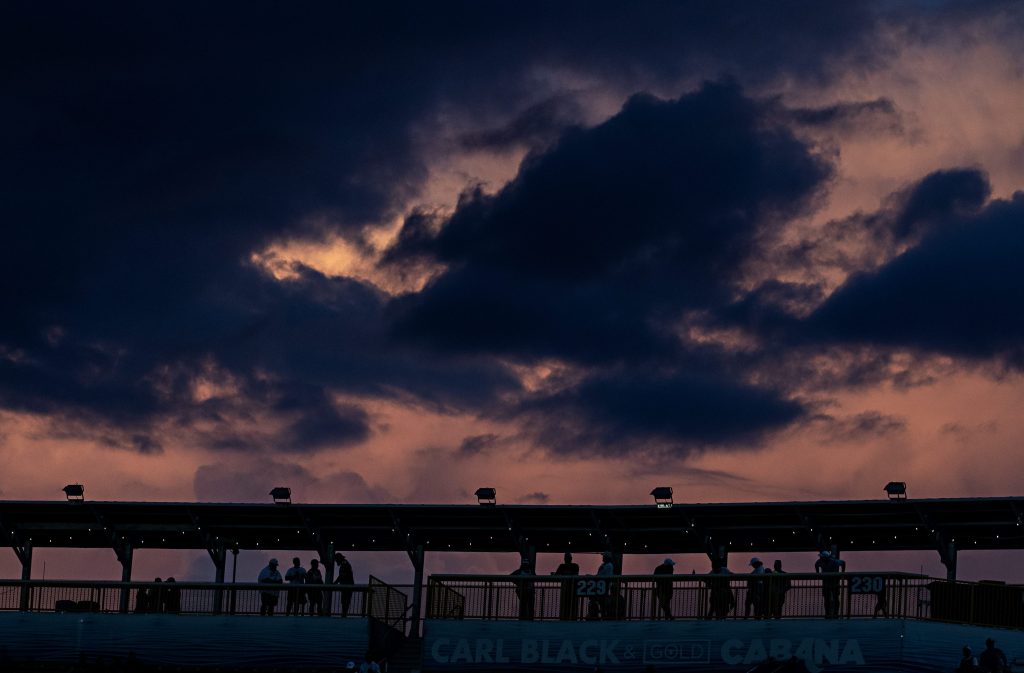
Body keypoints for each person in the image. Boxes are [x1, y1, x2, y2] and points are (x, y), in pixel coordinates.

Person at [814, 550, 845, 618]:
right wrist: (817, 574)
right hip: (827, 583)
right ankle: (828, 614)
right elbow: (816, 564)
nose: (820, 558)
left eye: (822, 557)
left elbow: (843, 563)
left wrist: (843, 573)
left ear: (826, 557)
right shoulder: (820, 561)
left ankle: (835, 614)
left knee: (835, 598)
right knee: (827, 599)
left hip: (834, 583)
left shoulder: (834, 561)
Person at [552, 552, 580, 620]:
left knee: (567, 604)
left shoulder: (563, 566)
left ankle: (566, 618)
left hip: (569, 588)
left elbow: (556, 575)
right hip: (569, 589)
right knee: (570, 604)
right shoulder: (575, 566)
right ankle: (571, 618)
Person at [334, 552, 355, 617]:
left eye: (336, 560)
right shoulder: (345, 563)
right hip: (347, 586)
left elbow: (341, 576)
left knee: (345, 600)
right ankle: (344, 614)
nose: (336, 561)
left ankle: (344, 614)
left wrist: (335, 583)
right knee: (346, 600)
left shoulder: (344, 564)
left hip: (347, 586)